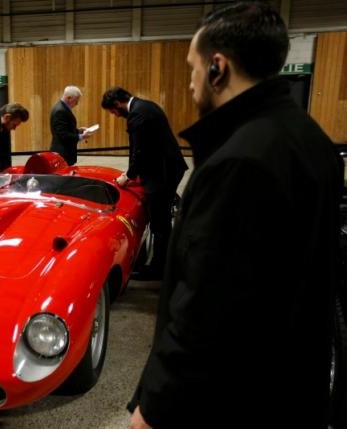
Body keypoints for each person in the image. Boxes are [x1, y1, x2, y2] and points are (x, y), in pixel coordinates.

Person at [127, 2, 343, 429]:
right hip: (291, 384)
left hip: (228, 399)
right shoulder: (310, 139)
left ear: (217, 68)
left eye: (192, 68)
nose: (190, 84)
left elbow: (205, 306)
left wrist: (152, 407)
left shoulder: (241, 160)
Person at [101, 87, 187, 280]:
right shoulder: (145, 107)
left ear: (117, 104)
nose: (115, 115)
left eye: (113, 111)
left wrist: (128, 176)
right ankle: (163, 264)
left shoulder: (137, 115)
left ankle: (160, 269)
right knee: (162, 220)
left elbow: (140, 152)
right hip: (167, 168)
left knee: (160, 222)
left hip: (163, 173)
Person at [50, 85, 90, 166]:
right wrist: (81, 136)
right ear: (69, 98)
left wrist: (78, 130)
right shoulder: (60, 111)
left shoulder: (62, 108)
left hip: (65, 152)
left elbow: (65, 129)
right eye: (76, 101)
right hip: (62, 153)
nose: (77, 103)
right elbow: (63, 135)